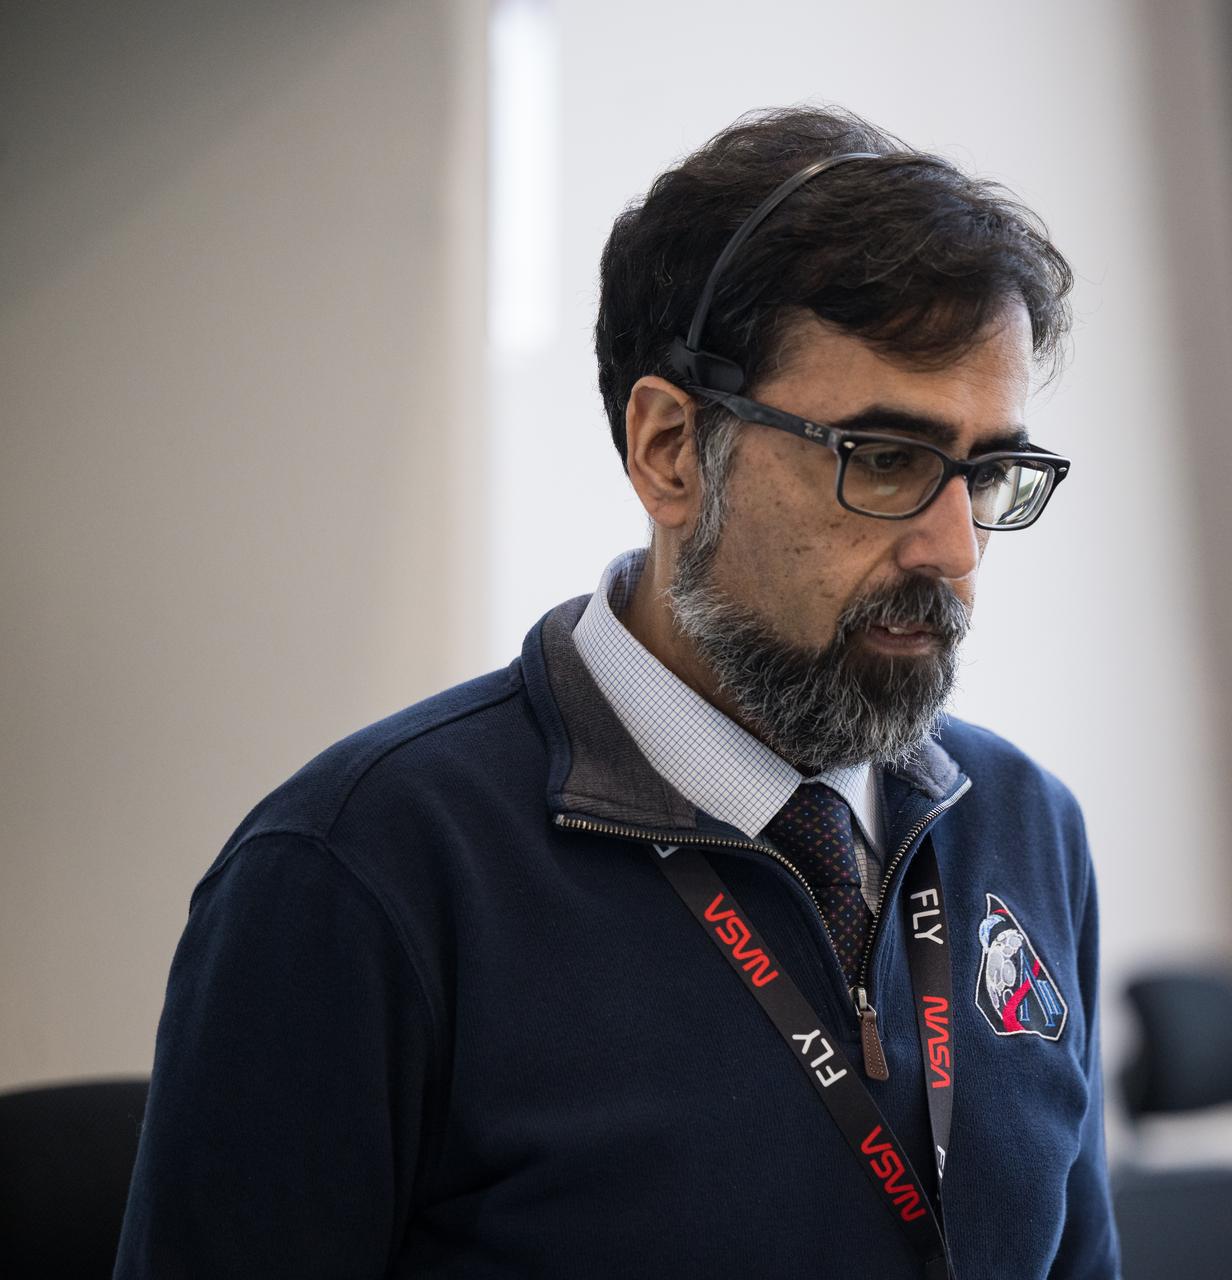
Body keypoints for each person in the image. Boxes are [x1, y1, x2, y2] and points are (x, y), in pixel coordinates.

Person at [114, 105, 1118, 1279]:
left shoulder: (1022, 826)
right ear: (671, 450)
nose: (954, 548)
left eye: (988, 470)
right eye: (885, 460)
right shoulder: (362, 869)